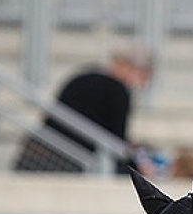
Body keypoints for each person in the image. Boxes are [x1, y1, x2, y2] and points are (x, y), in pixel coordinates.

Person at [14, 43, 153, 174]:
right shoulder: (118, 91)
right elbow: (117, 140)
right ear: (127, 67)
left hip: (39, 154)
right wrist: (139, 167)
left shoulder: (84, 77)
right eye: (142, 77)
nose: (141, 85)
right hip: (71, 161)